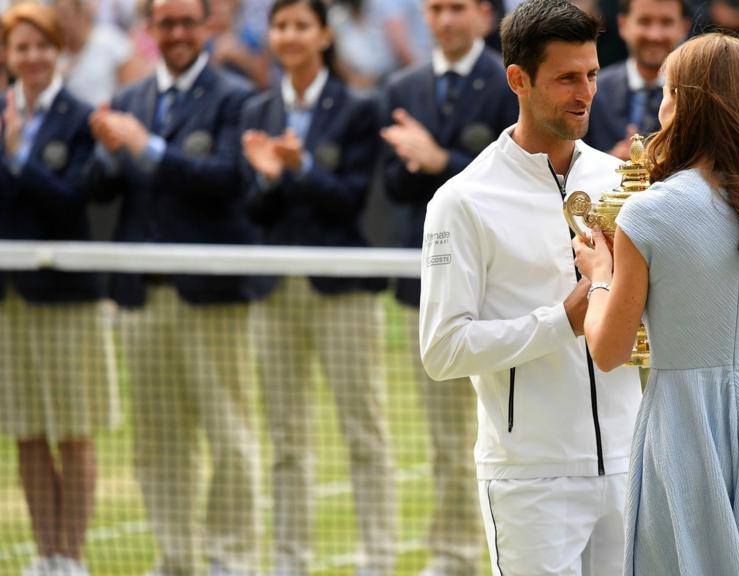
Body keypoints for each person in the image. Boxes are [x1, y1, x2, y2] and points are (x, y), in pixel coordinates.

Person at [572, 33, 739, 575]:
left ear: (684, 103)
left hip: (680, 429)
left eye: (667, 92)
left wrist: (599, 275)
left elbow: (610, 349)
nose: (659, 106)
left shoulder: (649, 214)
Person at [419, 2, 642, 574]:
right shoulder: (462, 200)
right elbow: (443, 351)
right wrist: (560, 320)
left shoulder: (620, 181)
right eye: (567, 78)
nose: (585, 93)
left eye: (591, 75)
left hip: (629, 462)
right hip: (530, 479)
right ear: (518, 79)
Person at [86, 0, 262, 573]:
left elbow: (230, 184)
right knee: (158, 442)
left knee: (229, 436)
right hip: (142, 297)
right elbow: (105, 191)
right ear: (149, 29)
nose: (178, 32)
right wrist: (110, 155)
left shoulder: (237, 97)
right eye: (166, 22)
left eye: (189, 21)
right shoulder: (131, 99)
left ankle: (229, 559)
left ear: (207, 26)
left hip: (209, 297)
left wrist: (146, 148)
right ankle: (176, 557)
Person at [240, 0, 396, 574]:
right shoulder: (255, 108)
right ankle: (289, 560)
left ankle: (377, 559)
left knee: (364, 430)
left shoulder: (359, 107)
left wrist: (300, 170)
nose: (289, 35)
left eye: (301, 25)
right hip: (274, 290)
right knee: (285, 438)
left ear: (323, 34)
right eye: (280, 26)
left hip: (343, 289)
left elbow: (353, 200)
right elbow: (252, 209)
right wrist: (268, 176)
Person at [380, 0, 517, 574]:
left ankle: (505, 549)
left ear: (486, 16)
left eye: (457, 8)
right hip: (433, 286)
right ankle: (453, 553)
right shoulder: (404, 85)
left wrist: (439, 160)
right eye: (435, 8)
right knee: (443, 440)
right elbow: (391, 183)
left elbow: (513, 175)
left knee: (511, 434)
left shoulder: (509, 80)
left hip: (504, 286)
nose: (444, 20)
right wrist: (423, 166)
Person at [0, 5, 119, 576]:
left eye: (41, 46)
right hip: (11, 300)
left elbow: (73, 199)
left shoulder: (81, 116)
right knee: (26, 430)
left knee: (73, 431)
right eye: (20, 48)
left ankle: (72, 556)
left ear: (58, 52)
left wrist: (19, 158)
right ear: (7, 57)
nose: (32, 58)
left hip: (68, 297)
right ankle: (44, 554)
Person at [585, 0, 689, 159]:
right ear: (622, 24)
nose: (655, 35)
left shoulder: (695, 95)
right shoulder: (592, 91)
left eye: (666, 22)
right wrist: (609, 164)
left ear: (684, 27)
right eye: (644, 21)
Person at [54, 0, 149, 107]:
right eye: (57, 17)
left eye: (65, 15)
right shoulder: (54, 55)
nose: (62, 23)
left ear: (81, 13)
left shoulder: (110, 40)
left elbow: (135, 87)